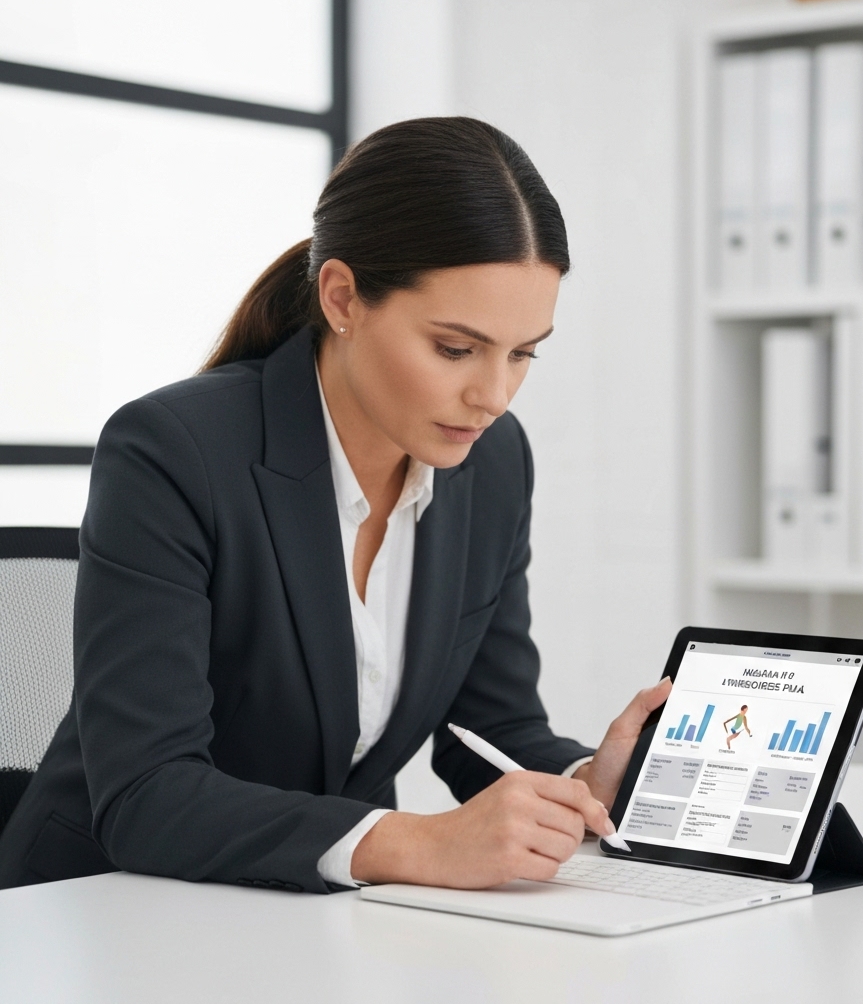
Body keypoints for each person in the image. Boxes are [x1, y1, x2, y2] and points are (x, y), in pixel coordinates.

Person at [0, 117, 671, 892]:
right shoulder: (173, 450)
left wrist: (586, 783)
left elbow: (488, 731)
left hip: (314, 920)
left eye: (522, 353)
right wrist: (416, 844)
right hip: (101, 907)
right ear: (343, 297)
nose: (493, 396)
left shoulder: (492, 465)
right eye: (456, 348)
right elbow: (149, 795)